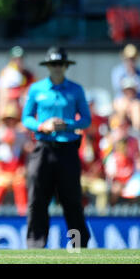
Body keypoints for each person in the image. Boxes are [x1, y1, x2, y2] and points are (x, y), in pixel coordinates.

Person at [21, 46, 91, 249]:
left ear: (65, 66)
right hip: (43, 148)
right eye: (53, 64)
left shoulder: (75, 89)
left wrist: (68, 124)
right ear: (48, 66)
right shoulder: (37, 89)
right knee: (37, 198)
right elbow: (26, 117)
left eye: (60, 64)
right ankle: (35, 244)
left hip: (67, 148)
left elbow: (86, 119)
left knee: (72, 199)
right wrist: (43, 125)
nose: (57, 68)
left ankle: (79, 244)